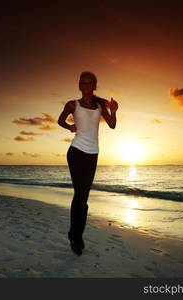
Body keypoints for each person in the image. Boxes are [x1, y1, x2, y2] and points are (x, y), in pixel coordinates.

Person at [58, 71, 118, 255]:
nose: (86, 86)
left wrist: (114, 111)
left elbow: (112, 125)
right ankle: (76, 237)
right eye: (83, 83)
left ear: (94, 86)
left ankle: (75, 234)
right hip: (76, 152)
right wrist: (70, 127)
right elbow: (60, 120)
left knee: (83, 197)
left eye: (89, 83)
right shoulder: (72, 104)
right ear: (79, 86)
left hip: (93, 154)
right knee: (80, 195)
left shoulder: (100, 106)